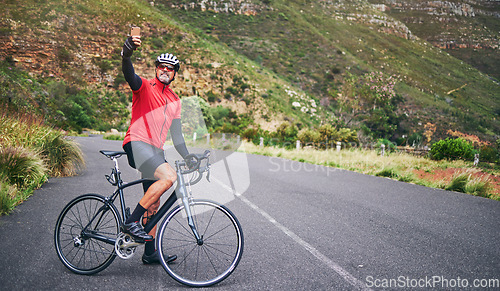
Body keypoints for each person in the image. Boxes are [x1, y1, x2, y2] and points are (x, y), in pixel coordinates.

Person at [120, 34, 189, 264]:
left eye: (170, 69)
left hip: (155, 151)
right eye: (162, 67)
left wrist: (190, 157)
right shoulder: (145, 87)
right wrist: (126, 55)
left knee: (154, 203)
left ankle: (150, 254)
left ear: (175, 73)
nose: (165, 71)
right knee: (170, 177)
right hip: (138, 143)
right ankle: (132, 221)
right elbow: (129, 75)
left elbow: (177, 137)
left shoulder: (175, 101)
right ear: (156, 69)